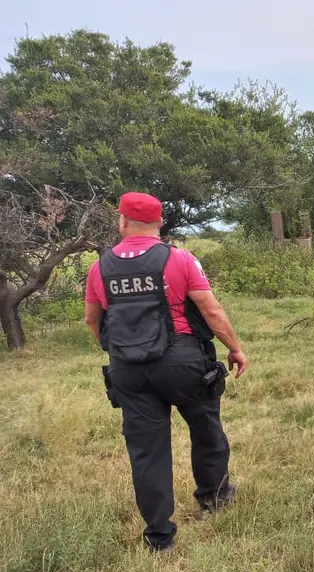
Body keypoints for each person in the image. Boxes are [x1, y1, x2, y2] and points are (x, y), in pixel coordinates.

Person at [84, 192, 247, 551]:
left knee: (147, 450)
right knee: (206, 427)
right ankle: (213, 497)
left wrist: (120, 352)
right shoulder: (180, 259)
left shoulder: (100, 268)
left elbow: (93, 320)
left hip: (128, 370)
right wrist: (234, 348)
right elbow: (211, 311)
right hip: (183, 362)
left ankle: (159, 534)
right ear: (159, 223)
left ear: (123, 221)